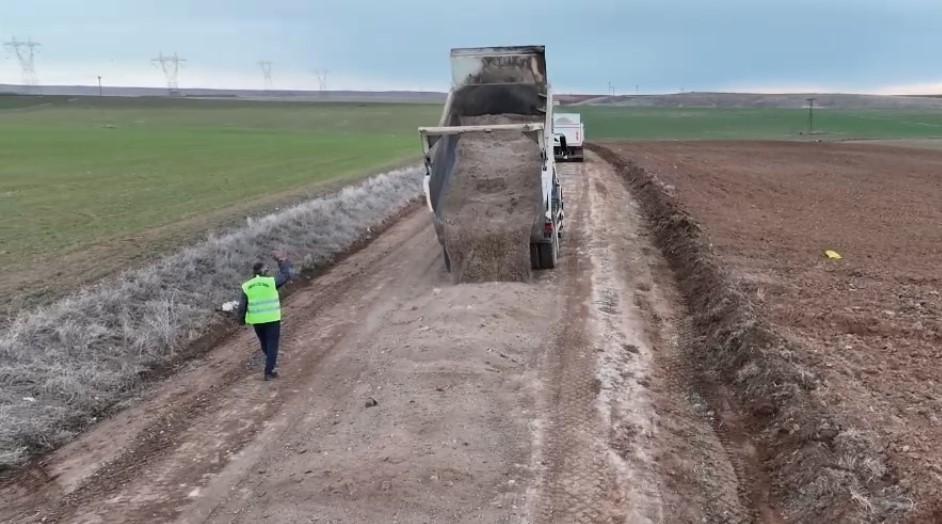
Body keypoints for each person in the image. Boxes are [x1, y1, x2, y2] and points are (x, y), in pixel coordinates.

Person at [237, 251, 292, 380]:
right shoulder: (271, 282)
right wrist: (281, 261)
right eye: (267, 269)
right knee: (272, 344)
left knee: (264, 344)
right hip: (272, 319)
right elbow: (286, 275)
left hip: (257, 321)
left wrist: (241, 320)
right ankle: (269, 370)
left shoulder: (246, 286)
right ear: (264, 271)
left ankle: (270, 361)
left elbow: (242, 306)